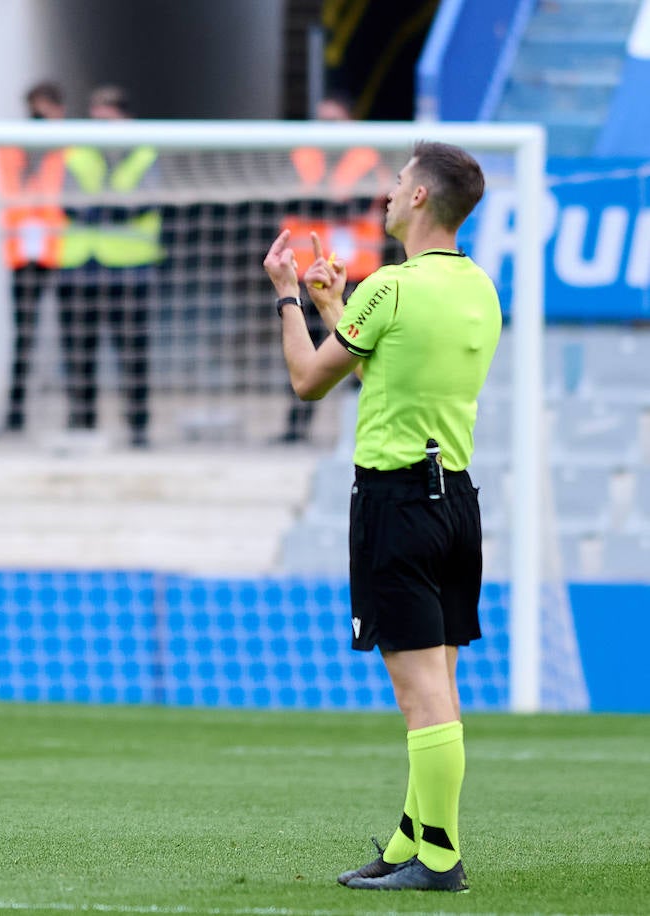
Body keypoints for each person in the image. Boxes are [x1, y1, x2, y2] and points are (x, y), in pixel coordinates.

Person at [263, 141, 499, 891]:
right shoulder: (481, 289)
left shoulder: (391, 287)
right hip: (456, 500)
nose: (389, 193)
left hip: (398, 501)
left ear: (423, 198)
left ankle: (439, 858)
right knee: (441, 681)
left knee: (418, 692)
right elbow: (389, 374)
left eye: (398, 182)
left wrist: (287, 297)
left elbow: (308, 381)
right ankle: (411, 838)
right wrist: (336, 306)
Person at [276, 91, 391, 443]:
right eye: (321, 120)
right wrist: (333, 203)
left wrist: (320, 203)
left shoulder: (366, 158)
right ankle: (296, 429)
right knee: (303, 349)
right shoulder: (301, 155)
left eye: (333, 120)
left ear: (350, 122)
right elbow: (291, 199)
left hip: (355, 274)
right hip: (308, 273)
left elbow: (360, 204)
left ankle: (357, 433)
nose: (326, 127)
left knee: (358, 353)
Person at [54, 84, 164, 448]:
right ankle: (83, 425)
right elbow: (66, 200)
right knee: (79, 353)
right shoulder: (77, 152)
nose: (100, 126)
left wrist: (105, 210)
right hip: (80, 267)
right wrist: (106, 210)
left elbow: (148, 200)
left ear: (125, 118)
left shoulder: (146, 154)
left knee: (133, 352)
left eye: (108, 118)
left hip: (129, 267)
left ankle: (138, 427)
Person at [0, 80, 67, 435]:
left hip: (60, 252)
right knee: (24, 338)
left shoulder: (67, 148)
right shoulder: (13, 148)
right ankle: (15, 415)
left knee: (72, 336)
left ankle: (78, 417)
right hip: (22, 253)